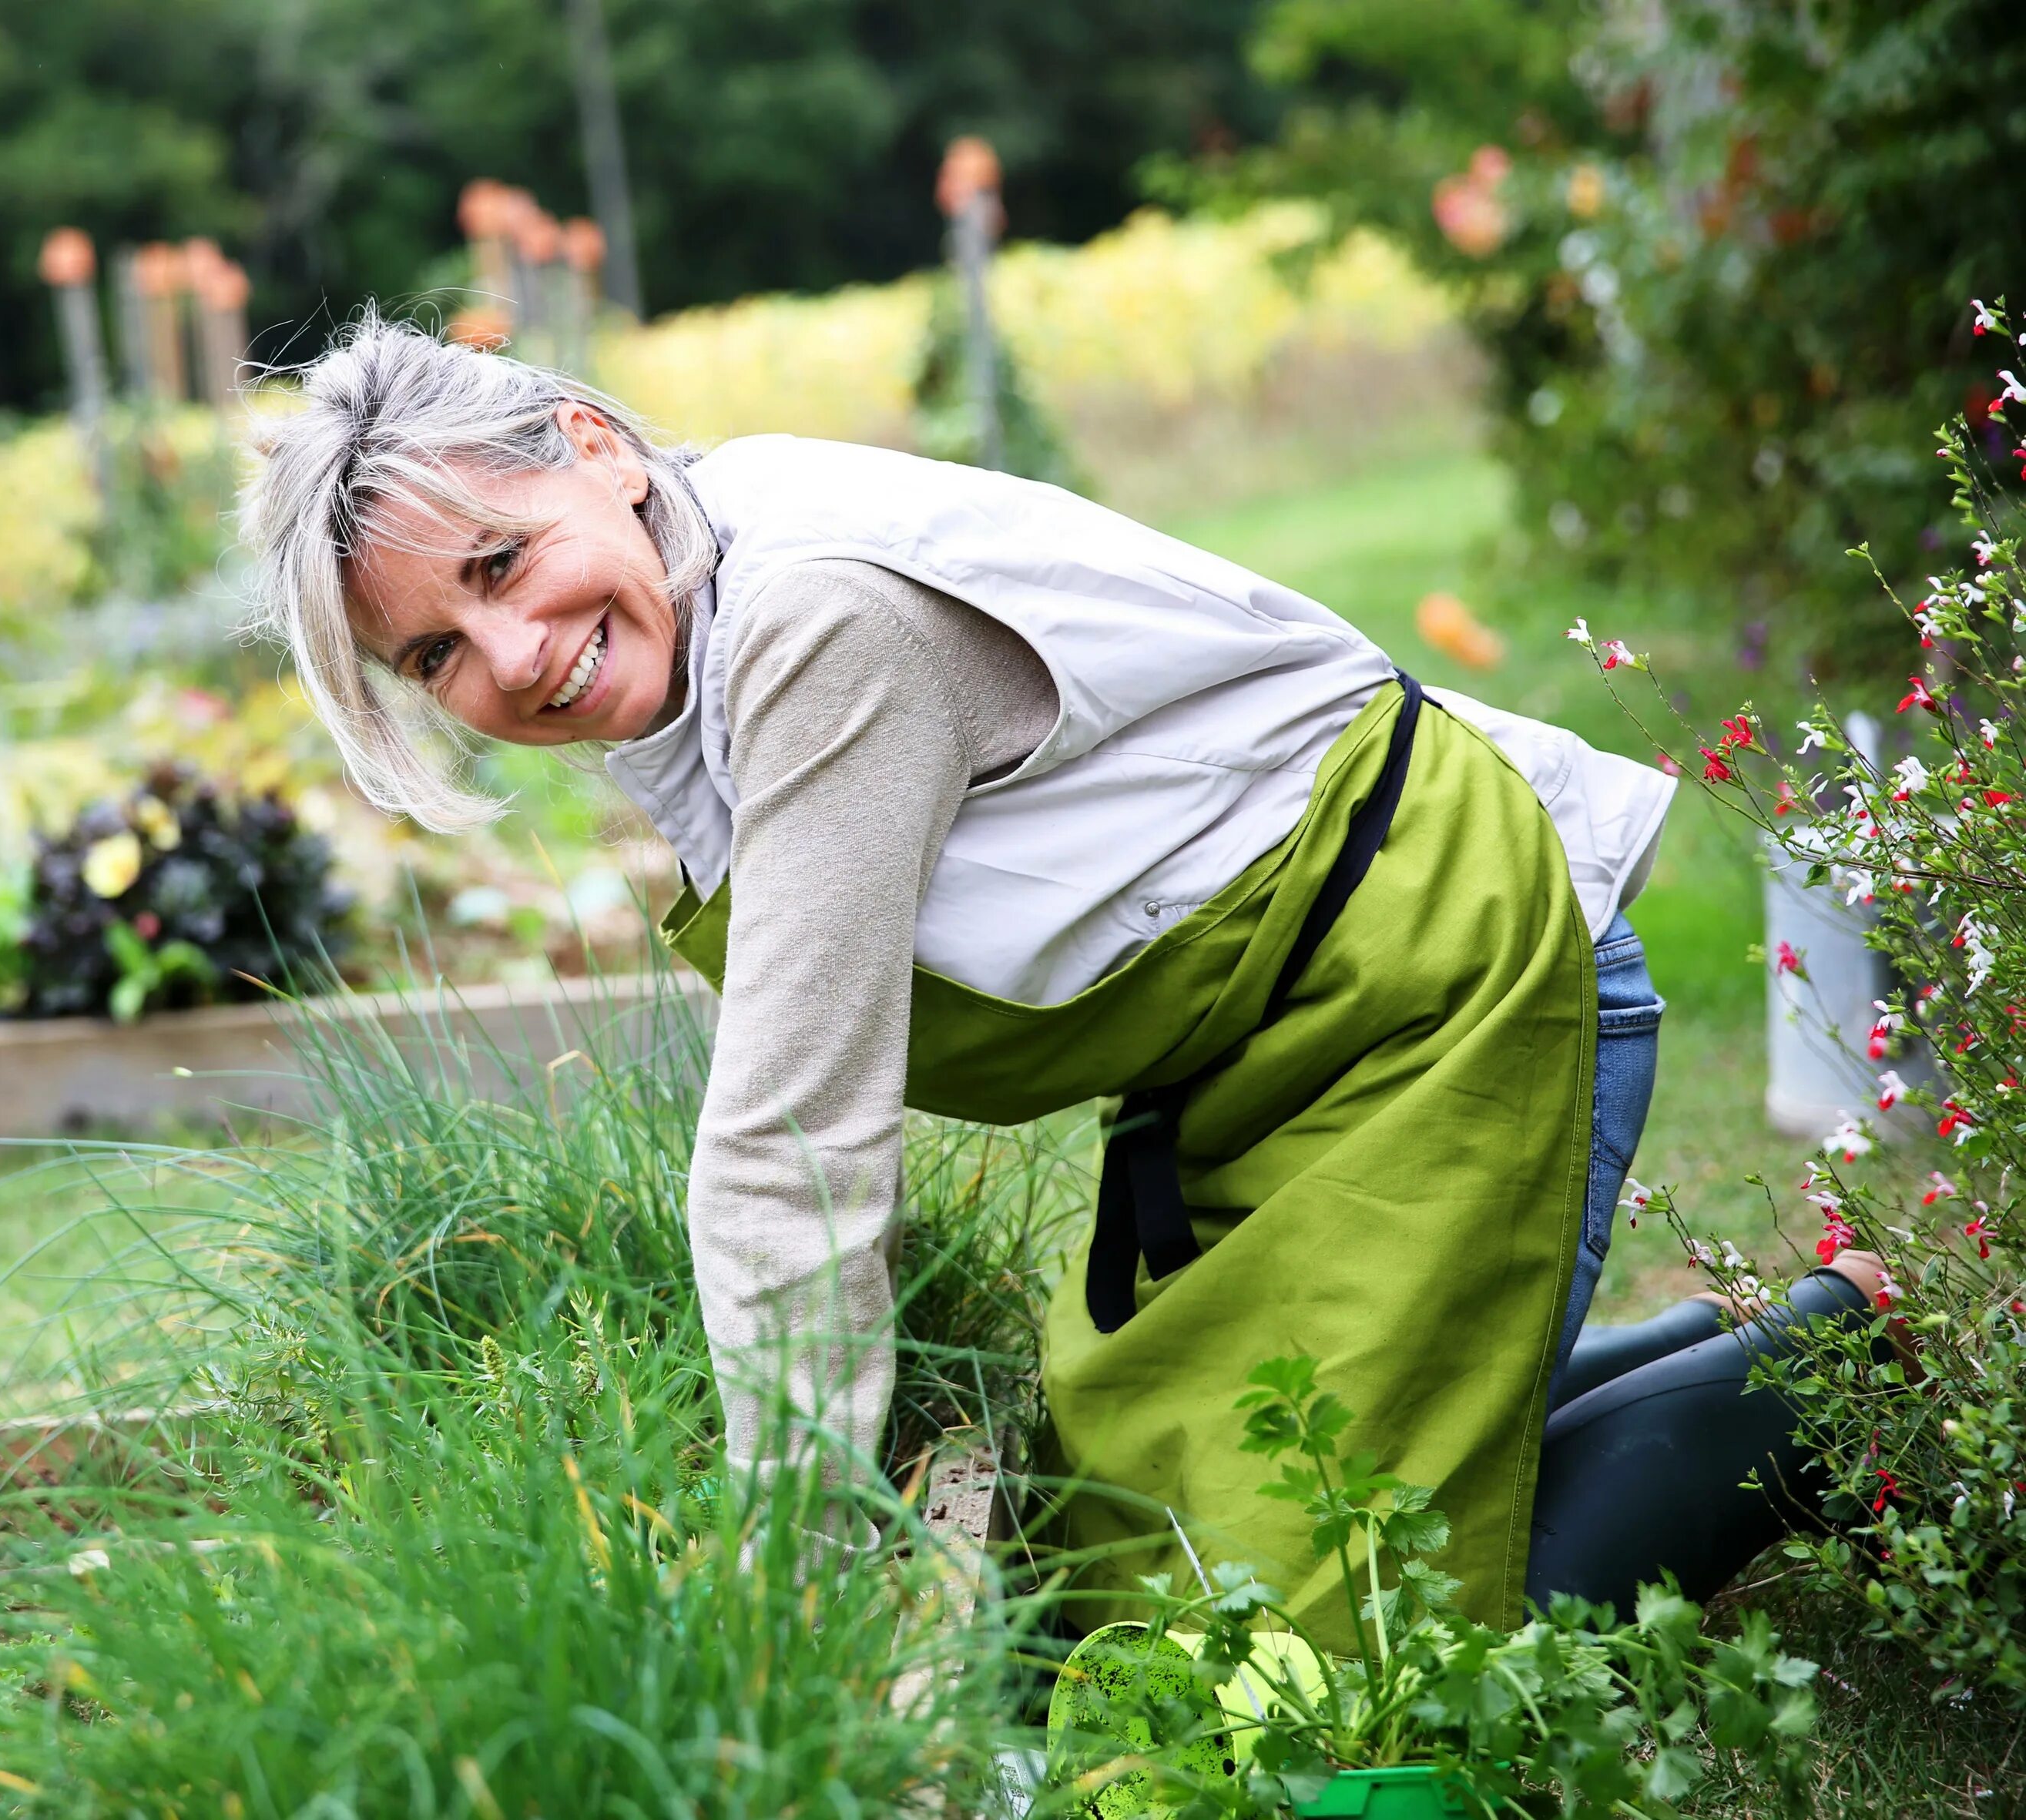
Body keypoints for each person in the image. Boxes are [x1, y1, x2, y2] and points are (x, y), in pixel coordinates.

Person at [242, 314, 1880, 1642]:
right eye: (435, 657)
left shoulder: (812, 625)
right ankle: (1692, 1356)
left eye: (501, 565)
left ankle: (1838, 1383)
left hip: (1449, 976)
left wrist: (784, 1573)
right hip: (1274, 1043)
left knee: (1316, 1663)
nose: (512, 656)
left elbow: (791, 1140)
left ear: (596, 451)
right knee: (1131, 1568)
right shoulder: (699, 592)